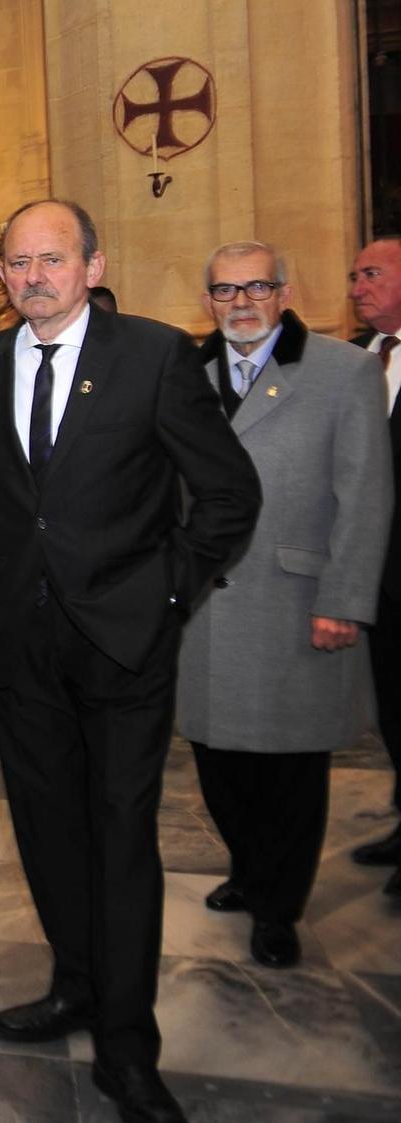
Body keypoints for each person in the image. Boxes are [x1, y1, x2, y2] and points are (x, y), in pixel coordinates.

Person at [0, 199, 260, 1123]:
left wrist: (168, 594)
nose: (30, 275)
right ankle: (73, 984)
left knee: (120, 843)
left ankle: (127, 1048)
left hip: (125, 646)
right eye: (15, 262)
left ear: (91, 265)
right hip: (22, 649)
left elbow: (230, 494)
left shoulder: (154, 356)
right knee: (47, 832)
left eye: (50, 259)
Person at [178, 241, 390, 969]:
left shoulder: (344, 371)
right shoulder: (185, 376)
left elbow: (366, 495)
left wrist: (345, 599)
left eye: (257, 286)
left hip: (300, 600)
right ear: (207, 301)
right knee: (217, 759)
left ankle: (278, 906)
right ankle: (248, 866)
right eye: (225, 290)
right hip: (206, 605)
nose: (241, 302)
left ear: (284, 292)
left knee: (291, 769)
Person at [347, 236, 401, 895]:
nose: (357, 286)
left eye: (371, 274)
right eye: (355, 276)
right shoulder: (360, 360)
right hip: (378, 575)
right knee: (393, 705)